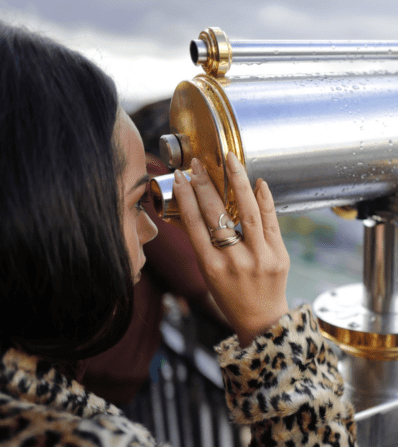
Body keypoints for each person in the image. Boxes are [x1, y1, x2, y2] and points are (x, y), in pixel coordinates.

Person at [0, 22, 356, 447]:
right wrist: (269, 327)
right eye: (135, 204)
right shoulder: (92, 440)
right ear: (49, 217)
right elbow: (192, 273)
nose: (150, 226)